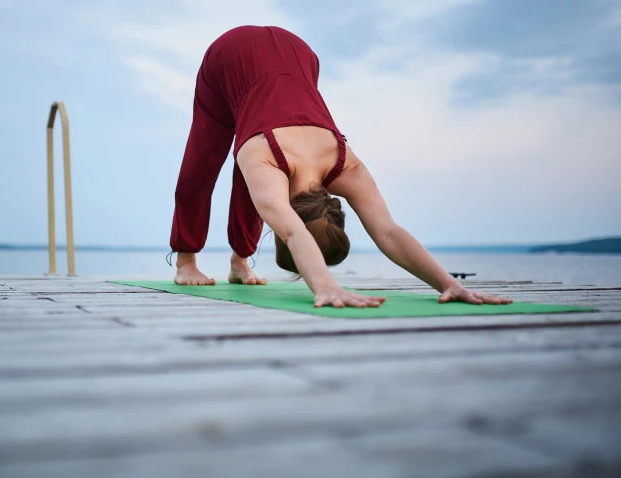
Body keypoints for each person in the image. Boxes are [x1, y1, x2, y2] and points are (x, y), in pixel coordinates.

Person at [169, 25, 512, 309]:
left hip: (301, 55)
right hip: (231, 54)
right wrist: (325, 287)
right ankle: (187, 261)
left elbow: (388, 232)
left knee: (256, 176)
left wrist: (449, 284)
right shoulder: (277, 158)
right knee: (204, 157)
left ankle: (239, 262)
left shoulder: (344, 163)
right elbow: (293, 231)